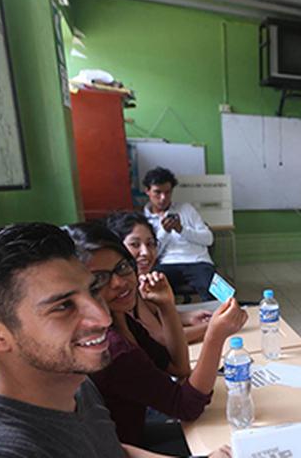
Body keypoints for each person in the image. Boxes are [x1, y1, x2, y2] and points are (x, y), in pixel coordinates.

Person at [0, 222, 229, 458]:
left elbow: (111, 450)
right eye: (63, 306)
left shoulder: (72, 380)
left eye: (93, 290)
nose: (102, 317)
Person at [64, 223, 247, 448]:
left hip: (135, 434)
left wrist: (166, 305)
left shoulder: (122, 319)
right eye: (99, 278)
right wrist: (215, 336)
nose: (119, 282)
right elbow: (187, 407)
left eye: (122, 267)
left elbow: (177, 368)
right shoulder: (113, 347)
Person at [107, 211, 213, 344]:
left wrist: (188, 317)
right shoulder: (122, 290)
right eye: (135, 244)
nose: (145, 252)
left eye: (151, 244)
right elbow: (162, 339)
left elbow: (154, 316)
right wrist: (214, 326)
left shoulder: (138, 282)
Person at [143, 166, 217, 301]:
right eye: (157, 192)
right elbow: (152, 253)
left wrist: (181, 229)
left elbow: (209, 239)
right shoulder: (144, 220)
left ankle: (219, 319)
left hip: (198, 261)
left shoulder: (186, 209)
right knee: (150, 289)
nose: (163, 198)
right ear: (147, 191)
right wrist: (164, 232)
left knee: (216, 292)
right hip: (166, 263)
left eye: (168, 192)